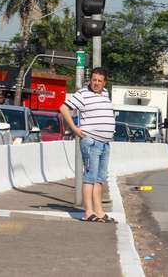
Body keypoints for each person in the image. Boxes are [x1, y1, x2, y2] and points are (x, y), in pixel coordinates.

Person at [59, 67, 116, 223]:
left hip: (105, 143)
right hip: (91, 141)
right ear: (90, 80)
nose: (96, 83)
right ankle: (88, 212)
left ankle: (99, 212)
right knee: (90, 177)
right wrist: (75, 128)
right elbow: (63, 108)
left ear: (105, 82)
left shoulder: (105, 93)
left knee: (100, 179)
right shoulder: (83, 94)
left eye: (99, 80)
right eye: (94, 80)